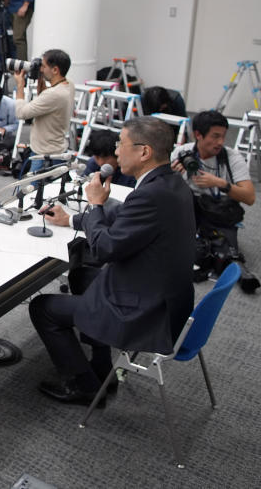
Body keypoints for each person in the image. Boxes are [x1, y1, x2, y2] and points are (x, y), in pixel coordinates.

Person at [33, 117, 195, 405]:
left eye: (121, 144)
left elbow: (106, 248)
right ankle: (101, 365)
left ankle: (83, 386)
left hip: (147, 310)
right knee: (80, 276)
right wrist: (71, 219)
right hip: (163, 292)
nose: (116, 151)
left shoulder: (151, 194)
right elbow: (125, 220)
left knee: (42, 308)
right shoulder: (169, 183)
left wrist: (95, 204)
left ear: (143, 152)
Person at [170, 111, 257, 291]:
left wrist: (221, 184)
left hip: (218, 212)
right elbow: (164, 193)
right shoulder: (182, 153)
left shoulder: (231, 157)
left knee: (223, 249)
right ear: (198, 135)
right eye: (215, 136)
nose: (220, 142)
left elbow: (250, 197)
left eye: (223, 137)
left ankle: (233, 265)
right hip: (189, 209)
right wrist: (172, 178)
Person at [13, 49, 75, 173]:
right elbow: (47, 99)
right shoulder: (69, 85)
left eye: (43, 66)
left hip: (44, 155)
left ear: (55, 70)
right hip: (57, 149)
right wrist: (40, 80)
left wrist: (20, 85)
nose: (41, 69)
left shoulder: (54, 94)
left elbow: (21, 113)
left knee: (33, 191)